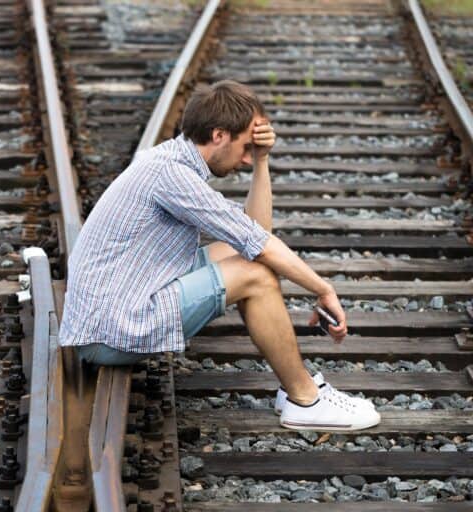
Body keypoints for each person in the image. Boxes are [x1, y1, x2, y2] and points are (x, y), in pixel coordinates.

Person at [59, 80, 380, 431]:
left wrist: (262, 162)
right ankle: (305, 399)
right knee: (256, 276)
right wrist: (323, 290)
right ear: (218, 135)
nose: (245, 157)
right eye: (245, 147)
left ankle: (298, 392)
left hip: (111, 309)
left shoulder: (169, 158)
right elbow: (259, 243)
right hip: (108, 332)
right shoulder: (172, 176)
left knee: (245, 256)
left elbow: (257, 234)